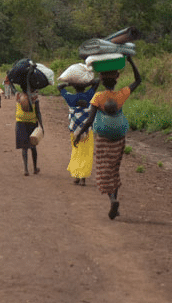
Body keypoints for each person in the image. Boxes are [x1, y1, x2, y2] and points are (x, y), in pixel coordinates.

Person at [73, 56, 142, 220]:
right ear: (117, 79)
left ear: (102, 80)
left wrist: (79, 134)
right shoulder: (121, 95)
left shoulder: (98, 98)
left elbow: (89, 120)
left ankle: (112, 199)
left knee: (104, 170)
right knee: (114, 169)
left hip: (103, 139)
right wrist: (131, 61)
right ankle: (115, 201)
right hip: (119, 138)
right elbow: (138, 80)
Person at [58, 78, 100, 186]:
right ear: (85, 86)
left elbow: (59, 87)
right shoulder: (89, 95)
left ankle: (76, 176)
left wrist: (69, 83)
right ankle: (83, 178)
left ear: (74, 87)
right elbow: (97, 81)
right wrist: (87, 82)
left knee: (76, 153)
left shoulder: (70, 97)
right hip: (86, 130)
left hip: (74, 131)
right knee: (86, 154)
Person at [15, 81, 43, 176]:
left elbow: (13, 89)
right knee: (33, 146)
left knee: (24, 147)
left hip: (20, 123)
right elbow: (38, 113)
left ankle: (26, 169)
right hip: (32, 123)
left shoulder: (18, 96)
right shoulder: (35, 98)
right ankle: (35, 168)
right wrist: (41, 125)